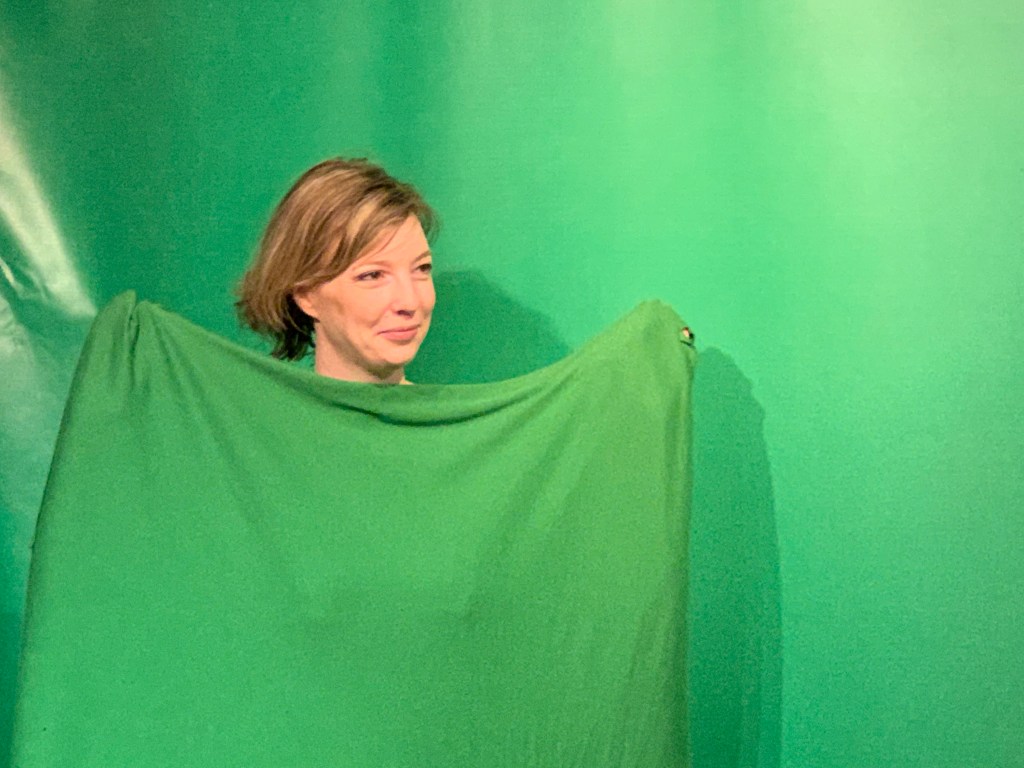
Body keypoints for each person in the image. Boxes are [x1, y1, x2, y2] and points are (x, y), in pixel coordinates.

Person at [236, 157, 436, 384]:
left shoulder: (450, 408)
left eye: (422, 268)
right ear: (306, 295)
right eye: (373, 275)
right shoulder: (255, 407)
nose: (410, 303)